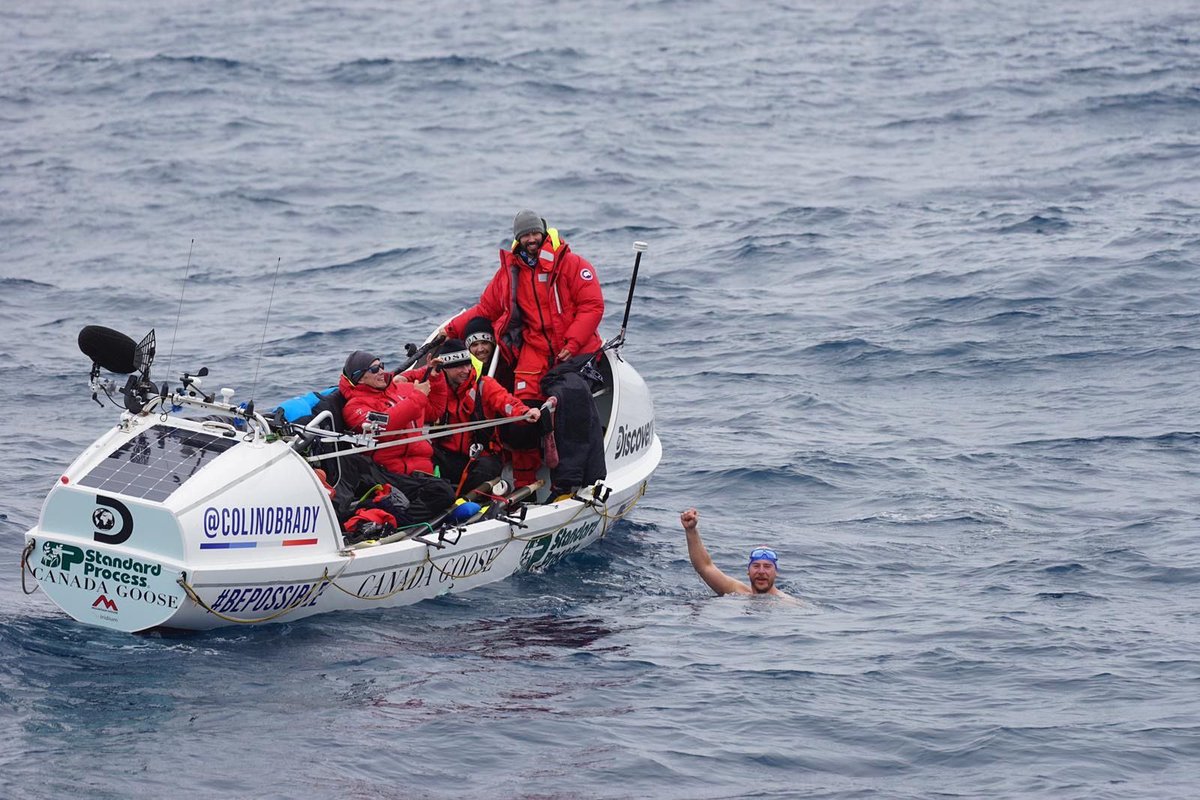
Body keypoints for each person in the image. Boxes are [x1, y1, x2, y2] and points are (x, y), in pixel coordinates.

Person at [439, 211, 605, 487]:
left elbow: (593, 306)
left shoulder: (573, 265)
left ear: (543, 232)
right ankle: (524, 481)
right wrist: (453, 329)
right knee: (520, 416)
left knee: (568, 401)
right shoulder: (509, 273)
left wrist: (572, 343)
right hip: (535, 349)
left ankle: (568, 474)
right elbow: (486, 308)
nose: (531, 239)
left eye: (534, 233)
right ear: (517, 238)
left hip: (575, 349)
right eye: (525, 235)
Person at [338, 350, 454, 522]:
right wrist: (418, 397)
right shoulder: (355, 406)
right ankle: (403, 522)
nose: (382, 372)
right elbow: (384, 427)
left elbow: (434, 411)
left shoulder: (400, 391)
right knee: (442, 492)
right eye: (375, 369)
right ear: (360, 378)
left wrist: (436, 378)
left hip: (422, 468)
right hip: (392, 473)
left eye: (381, 366)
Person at [431, 339, 542, 494]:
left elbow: (506, 401)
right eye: (459, 367)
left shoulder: (484, 385)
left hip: (482, 455)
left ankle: (465, 504)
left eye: (468, 364)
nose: (466, 370)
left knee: (485, 470)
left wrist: (524, 412)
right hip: (445, 455)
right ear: (445, 369)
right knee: (424, 463)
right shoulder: (435, 388)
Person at [680, 508, 790, 597]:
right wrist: (691, 530)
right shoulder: (737, 592)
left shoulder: (786, 604)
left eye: (767, 566)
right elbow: (704, 567)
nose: (761, 571)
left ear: (776, 572)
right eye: (756, 566)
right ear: (748, 571)